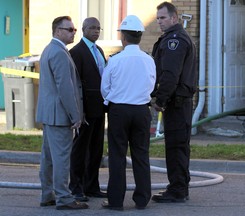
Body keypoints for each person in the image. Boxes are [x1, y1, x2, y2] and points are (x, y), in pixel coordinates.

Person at [100, 15, 156, 210]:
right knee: (141, 155)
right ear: (140, 36)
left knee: (117, 156)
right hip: (141, 111)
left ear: (123, 37)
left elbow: (104, 88)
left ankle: (115, 201)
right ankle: (142, 199)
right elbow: (151, 85)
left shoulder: (115, 60)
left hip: (119, 111)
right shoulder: (149, 60)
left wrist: (115, 98)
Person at [36, 16, 88, 210]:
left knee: (48, 158)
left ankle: (47, 194)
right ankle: (64, 198)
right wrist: (75, 116)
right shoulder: (58, 53)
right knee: (61, 159)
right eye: (70, 29)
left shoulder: (50, 49)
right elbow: (65, 88)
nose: (74, 32)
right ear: (58, 31)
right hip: (59, 116)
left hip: (50, 114)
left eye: (74, 29)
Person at [150, 2, 197, 203]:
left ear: (175, 18)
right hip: (180, 102)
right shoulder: (177, 38)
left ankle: (177, 190)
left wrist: (160, 99)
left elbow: (170, 74)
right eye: (158, 18)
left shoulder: (174, 41)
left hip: (177, 103)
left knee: (176, 147)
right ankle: (179, 187)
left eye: (163, 18)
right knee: (179, 146)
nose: (159, 21)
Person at [69, 17, 107, 202]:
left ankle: (92, 186)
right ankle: (76, 187)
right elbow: (76, 83)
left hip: (100, 107)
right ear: (83, 29)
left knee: (96, 148)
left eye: (98, 28)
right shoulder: (77, 52)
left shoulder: (98, 50)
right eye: (92, 27)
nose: (96, 31)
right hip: (85, 109)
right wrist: (79, 109)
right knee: (81, 149)